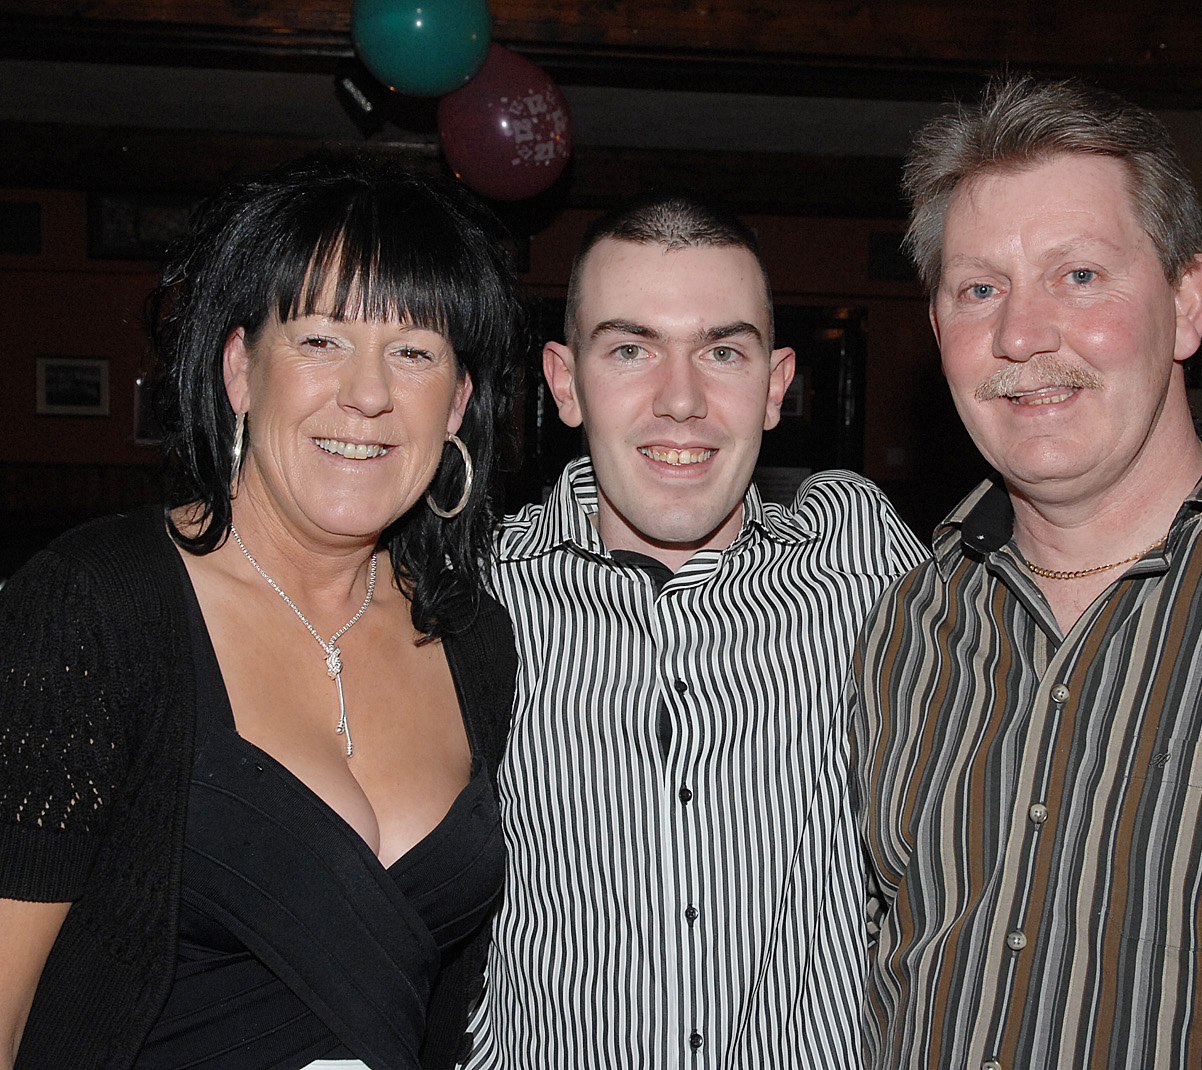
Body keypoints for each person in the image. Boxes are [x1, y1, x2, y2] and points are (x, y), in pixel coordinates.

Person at [851, 73, 1202, 1069]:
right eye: (978, 289)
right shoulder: (904, 618)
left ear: (1187, 303)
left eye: (1078, 275)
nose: (1020, 334)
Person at [0, 152, 523, 1070]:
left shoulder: (473, 636)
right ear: (241, 369)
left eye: (414, 351)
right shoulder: (94, 607)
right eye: (321, 340)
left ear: (457, 404)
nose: (368, 394)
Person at [463, 193, 926, 1069]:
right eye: (631, 349)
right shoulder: (476, 596)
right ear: (565, 383)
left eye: (722, 351)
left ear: (775, 386)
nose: (681, 400)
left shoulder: (863, 561)